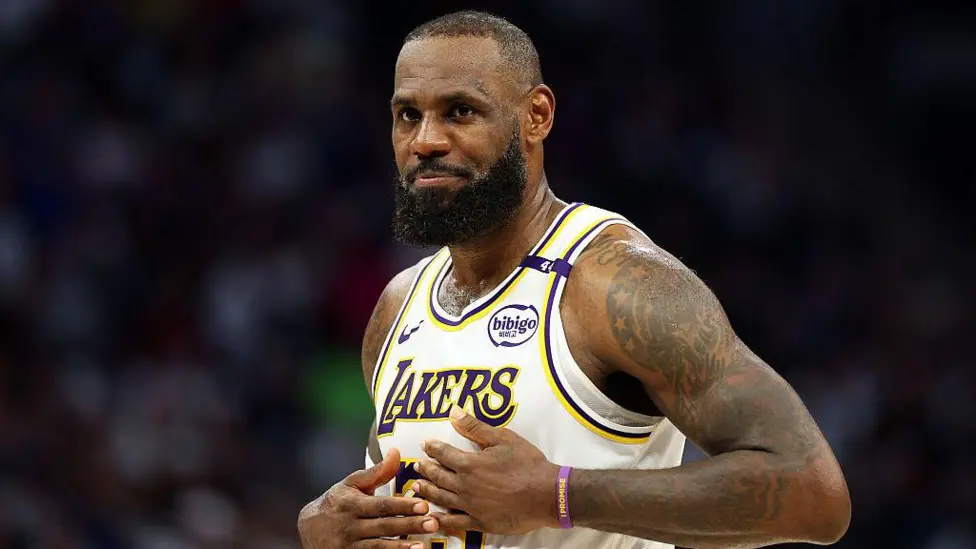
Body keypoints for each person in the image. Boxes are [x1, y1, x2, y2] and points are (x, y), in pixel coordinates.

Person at [298, 10, 851, 549]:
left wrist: (558, 496)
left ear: (536, 116)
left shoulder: (614, 283)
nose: (426, 141)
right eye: (407, 115)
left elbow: (814, 493)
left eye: (460, 112)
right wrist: (335, 532)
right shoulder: (398, 306)